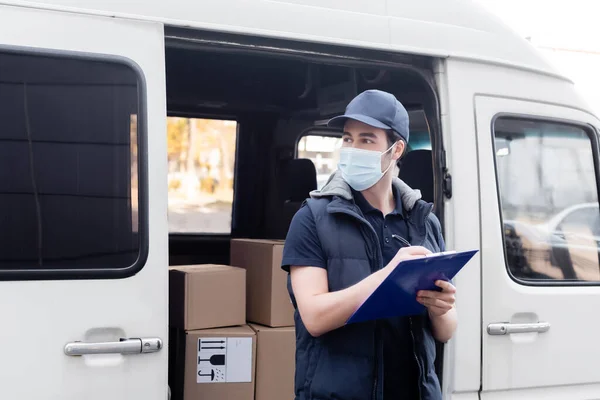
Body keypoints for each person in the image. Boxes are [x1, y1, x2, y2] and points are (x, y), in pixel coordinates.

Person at [281, 89, 457, 400]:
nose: (352, 148)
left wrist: (441, 309)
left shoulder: (425, 222)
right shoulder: (313, 218)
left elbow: (445, 331)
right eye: (348, 138)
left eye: (366, 139)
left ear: (396, 149)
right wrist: (388, 276)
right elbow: (315, 317)